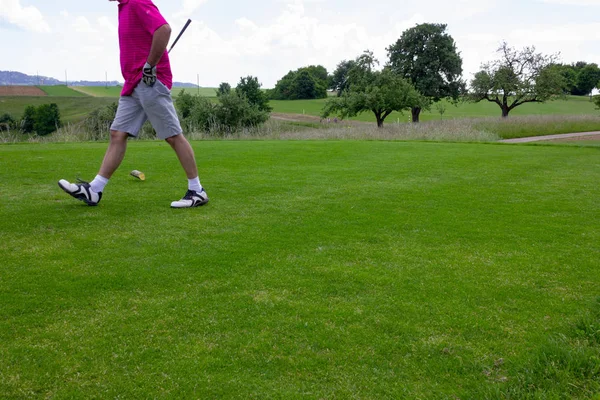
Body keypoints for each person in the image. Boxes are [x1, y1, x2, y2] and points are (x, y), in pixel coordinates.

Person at [58, 0, 208, 208]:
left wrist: (150, 65)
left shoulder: (137, 1)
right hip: (133, 83)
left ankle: (197, 191)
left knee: (172, 135)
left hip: (150, 81)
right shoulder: (124, 7)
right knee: (117, 134)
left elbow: (164, 29)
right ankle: (95, 190)